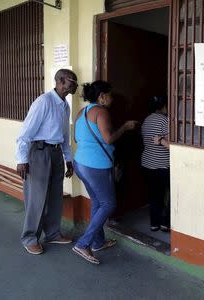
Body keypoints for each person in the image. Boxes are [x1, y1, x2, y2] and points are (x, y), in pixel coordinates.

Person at [72, 80, 136, 264]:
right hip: (96, 166)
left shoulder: (81, 112)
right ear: (101, 97)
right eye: (110, 95)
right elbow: (108, 139)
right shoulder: (101, 112)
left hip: (80, 163)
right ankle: (83, 244)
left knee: (98, 202)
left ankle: (98, 242)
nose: (112, 98)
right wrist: (125, 127)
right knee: (108, 204)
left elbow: (76, 137)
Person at [16, 69, 77, 255]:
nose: (75, 84)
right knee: (37, 198)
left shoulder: (65, 105)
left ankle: (52, 234)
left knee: (55, 197)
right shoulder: (44, 102)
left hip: (57, 153)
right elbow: (25, 133)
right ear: (60, 81)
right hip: (40, 153)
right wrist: (22, 160)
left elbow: (65, 136)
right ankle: (29, 238)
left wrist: (69, 159)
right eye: (72, 81)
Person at [141, 96, 170, 232]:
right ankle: (165, 223)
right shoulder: (165, 120)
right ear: (163, 107)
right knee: (168, 195)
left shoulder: (146, 120)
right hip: (162, 164)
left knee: (154, 195)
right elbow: (170, 144)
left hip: (147, 163)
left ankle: (154, 224)